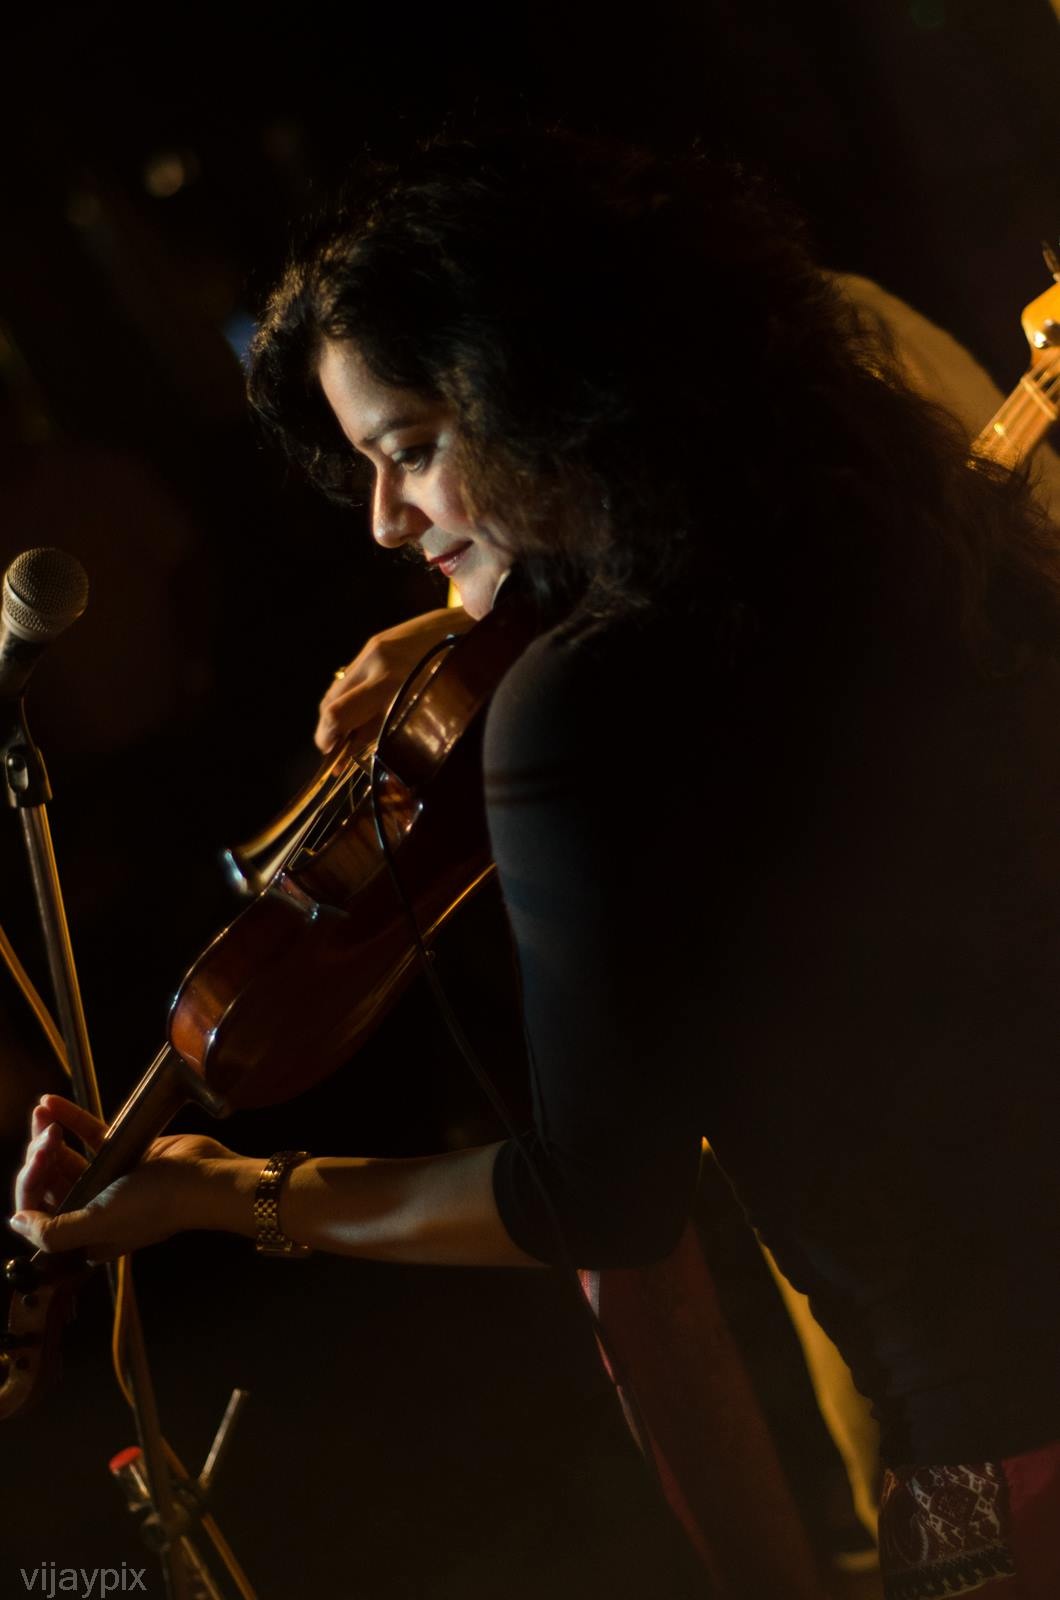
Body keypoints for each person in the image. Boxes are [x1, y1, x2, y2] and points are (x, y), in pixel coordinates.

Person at [12, 133, 1060, 1599]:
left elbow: (594, 1196)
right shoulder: (887, 517)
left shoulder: (579, 704)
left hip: (1005, 1439)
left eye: (411, 450)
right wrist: (497, 620)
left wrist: (222, 1191)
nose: (388, 521)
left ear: (545, 393)